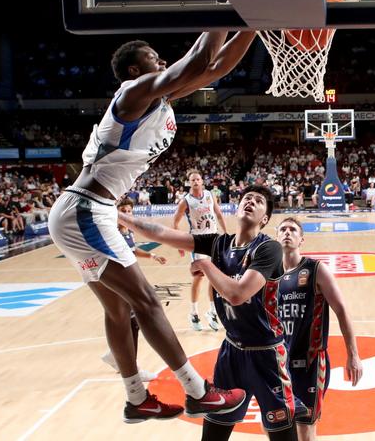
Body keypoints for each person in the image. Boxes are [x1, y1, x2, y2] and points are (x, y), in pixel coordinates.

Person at [47, 30, 256, 423]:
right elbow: (195, 62)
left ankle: (136, 398)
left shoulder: (157, 100)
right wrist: (228, 12)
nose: (161, 62)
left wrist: (252, 25)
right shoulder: (133, 93)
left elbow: (214, 68)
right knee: (146, 303)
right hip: (88, 210)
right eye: (154, 58)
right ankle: (198, 391)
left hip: (82, 212)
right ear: (134, 69)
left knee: (121, 310)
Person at [118, 186, 299, 441]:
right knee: (213, 434)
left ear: (265, 219)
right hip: (231, 352)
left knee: (283, 435)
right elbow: (162, 233)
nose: (251, 202)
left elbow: (238, 294)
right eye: (247, 198)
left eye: (258, 202)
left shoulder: (268, 249)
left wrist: (205, 264)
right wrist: (119, 216)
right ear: (236, 208)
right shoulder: (218, 243)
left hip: (267, 353)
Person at [276, 217, 362, 441]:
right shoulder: (269, 275)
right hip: (278, 365)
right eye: (283, 229)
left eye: (292, 230)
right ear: (277, 237)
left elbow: (342, 310)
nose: (287, 233)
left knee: (305, 429)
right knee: (277, 427)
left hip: (310, 364)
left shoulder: (315, 270)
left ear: (301, 239)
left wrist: (353, 355)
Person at [102, 198, 167, 382]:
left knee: (126, 320)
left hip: (125, 279)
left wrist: (153, 255)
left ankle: (114, 355)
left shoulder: (127, 230)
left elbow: (133, 251)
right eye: (123, 210)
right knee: (132, 320)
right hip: (117, 279)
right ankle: (132, 368)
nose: (127, 213)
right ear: (117, 212)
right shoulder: (111, 231)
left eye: (129, 210)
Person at [173, 171, 227, 331]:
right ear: (189, 183)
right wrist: (179, 245)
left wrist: (226, 233)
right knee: (198, 277)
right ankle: (194, 312)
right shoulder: (185, 201)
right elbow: (175, 222)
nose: (195, 181)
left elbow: (218, 213)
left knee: (214, 277)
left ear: (202, 181)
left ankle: (212, 311)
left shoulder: (210, 195)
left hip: (214, 239)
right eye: (192, 180)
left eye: (198, 179)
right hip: (197, 241)